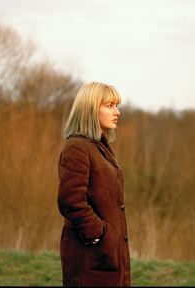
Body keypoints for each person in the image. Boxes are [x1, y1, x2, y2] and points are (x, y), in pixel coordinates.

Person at [57, 82, 131, 286]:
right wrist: (100, 235)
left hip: (108, 259)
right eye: (109, 105)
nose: (117, 112)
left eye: (117, 105)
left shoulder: (100, 148)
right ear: (90, 109)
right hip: (90, 258)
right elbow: (71, 201)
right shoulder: (77, 148)